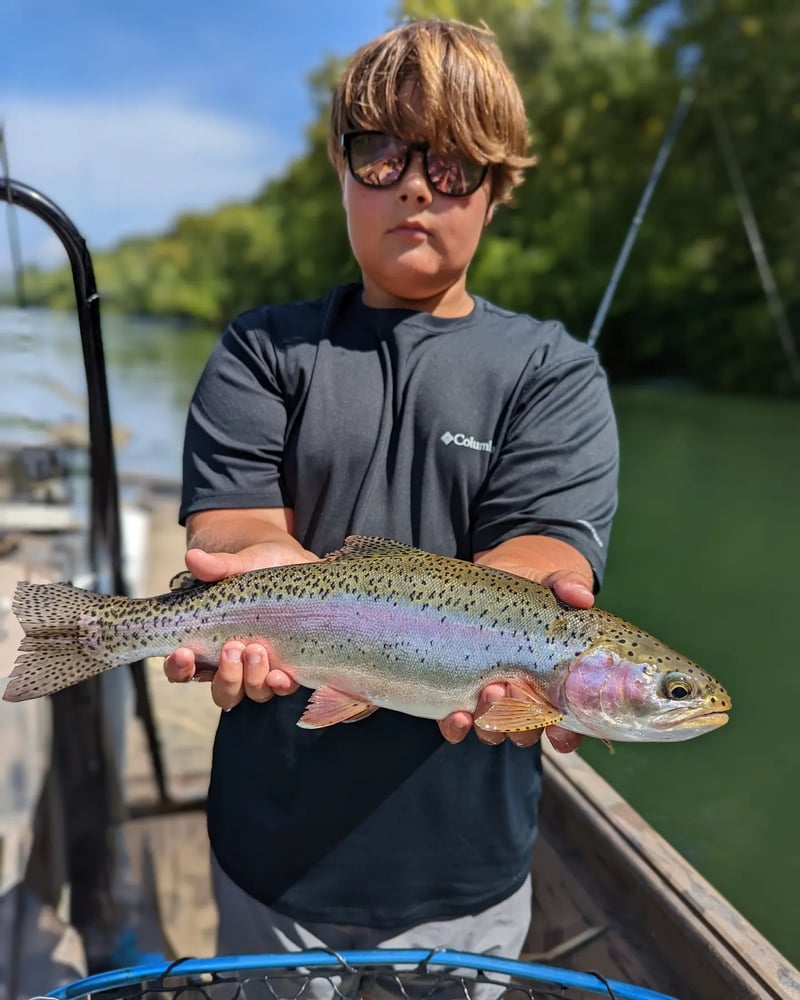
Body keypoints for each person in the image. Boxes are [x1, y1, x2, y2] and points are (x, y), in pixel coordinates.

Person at [164, 15, 618, 985]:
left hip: (470, 877)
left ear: (495, 191)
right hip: (270, 860)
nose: (415, 184)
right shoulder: (262, 348)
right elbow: (236, 526)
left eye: (452, 164)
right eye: (381, 153)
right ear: (341, 169)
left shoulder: (554, 371)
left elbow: (543, 557)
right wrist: (255, 580)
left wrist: (506, 631)